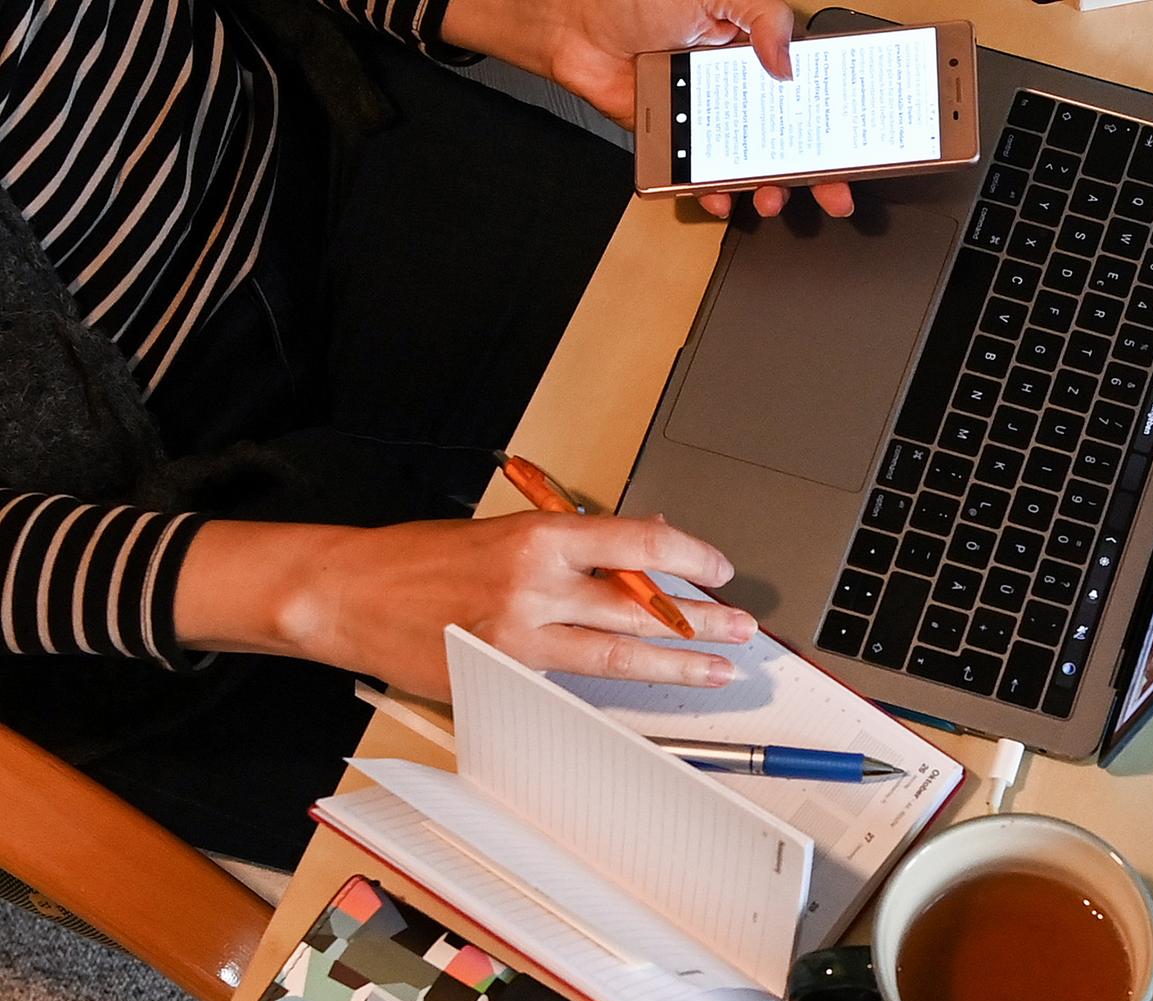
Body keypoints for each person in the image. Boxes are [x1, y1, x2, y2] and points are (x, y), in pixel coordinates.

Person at [0, 0, 841, 862]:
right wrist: (322, 598)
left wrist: (542, 21)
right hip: (114, 578)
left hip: (309, 149)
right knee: (679, 852)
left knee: (834, 401)